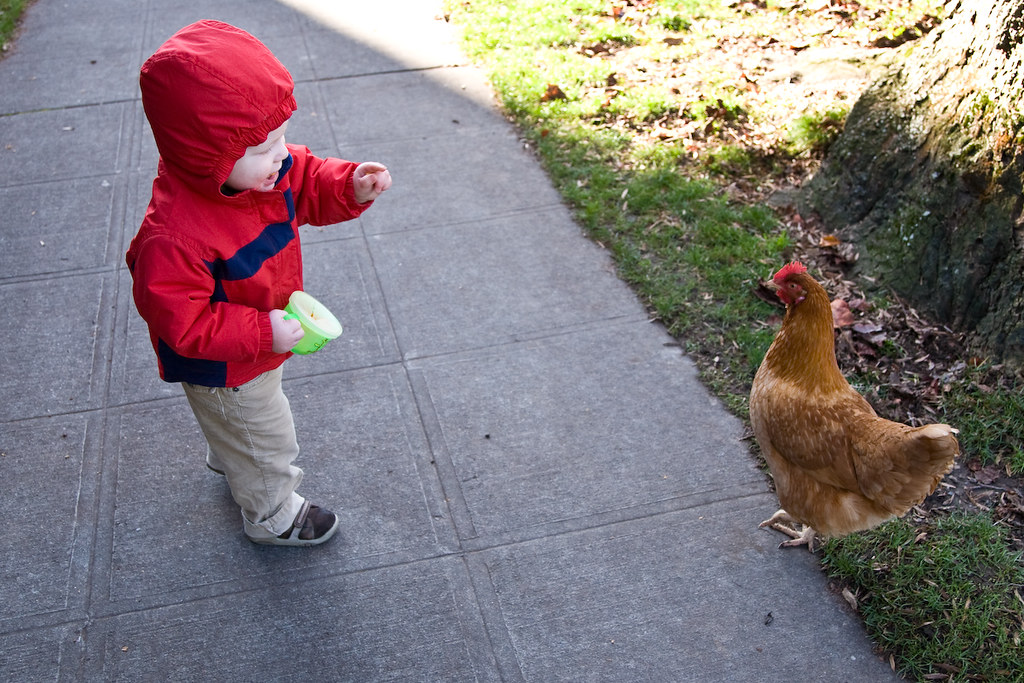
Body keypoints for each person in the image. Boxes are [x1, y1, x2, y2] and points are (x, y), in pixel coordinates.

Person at [125, 20, 391, 546]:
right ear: (208, 156)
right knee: (268, 438)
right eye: (262, 147)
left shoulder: (265, 171)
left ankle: (230, 453)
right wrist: (262, 333)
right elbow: (184, 323)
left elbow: (311, 179)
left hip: (254, 344)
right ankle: (274, 516)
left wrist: (351, 185)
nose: (281, 154)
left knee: (241, 426)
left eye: (281, 136)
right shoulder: (174, 236)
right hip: (225, 361)